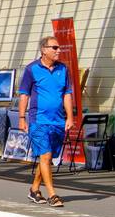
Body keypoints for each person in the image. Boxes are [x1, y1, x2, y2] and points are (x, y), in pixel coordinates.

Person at [18, 35, 75, 207]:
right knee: (45, 155)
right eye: (54, 48)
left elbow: (67, 94)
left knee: (48, 159)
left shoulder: (63, 69)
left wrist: (70, 117)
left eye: (59, 47)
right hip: (38, 120)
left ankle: (34, 189)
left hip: (58, 121)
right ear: (44, 50)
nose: (59, 50)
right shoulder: (31, 69)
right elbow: (24, 94)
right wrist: (22, 118)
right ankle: (52, 194)